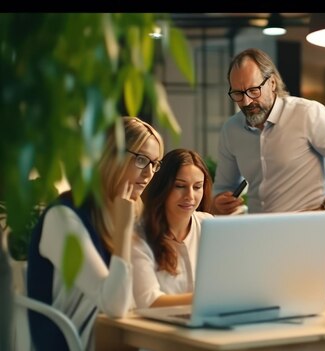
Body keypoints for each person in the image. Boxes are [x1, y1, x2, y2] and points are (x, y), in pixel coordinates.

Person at [27, 116, 164, 351]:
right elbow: (115, 306)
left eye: (155, 163)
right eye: (141, 160)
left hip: (106, 339)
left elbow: (130, 302)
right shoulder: (63, 218)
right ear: (111, 156)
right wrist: (123, 230)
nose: (150, 172)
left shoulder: (118, 214)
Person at [211, 48, 325, 214]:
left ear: (272, 83)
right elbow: (223, 187)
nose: (246, 101)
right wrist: (219, 201)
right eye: (238, 93)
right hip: (258, 234)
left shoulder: (307, 113)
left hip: (306, 232)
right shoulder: (231, 129)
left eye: (254, 90)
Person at [132, 148, 213, 308]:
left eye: (197, 187)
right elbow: (149, 300)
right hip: (157, 328)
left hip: (205, 325)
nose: (190, 196)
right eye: (180, 186)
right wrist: (211, 298)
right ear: (164, 186)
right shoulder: (138, 235)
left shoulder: (209, 226)